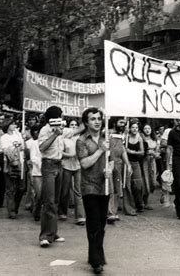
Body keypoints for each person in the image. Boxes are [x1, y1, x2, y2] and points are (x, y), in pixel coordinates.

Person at [76, 107, 110, 275]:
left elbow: (111, 159)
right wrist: (100, 150)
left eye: (99, 118)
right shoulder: (81, 141)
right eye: (93, 119)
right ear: (86, 122)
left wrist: (110, 169)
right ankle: (96, 261)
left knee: (102, 224)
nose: (97, 121)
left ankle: (95, 254)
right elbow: (84, 163)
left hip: (104, 186)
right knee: (94, 223)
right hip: (89, 186)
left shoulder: (106, 138)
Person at [38, 106, 65, 248]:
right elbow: (42, 147)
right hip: (48, 165)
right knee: (48, 201)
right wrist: (55, 135)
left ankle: (53, 233)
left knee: (55, 200)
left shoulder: (61, 129)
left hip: (59, 164)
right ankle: (44, 235)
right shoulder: (45, 130)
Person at [59, 118, 86, 225]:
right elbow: (60, 152)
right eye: (71, 125)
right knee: (65, 190)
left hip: (78, 166)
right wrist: (70, 155)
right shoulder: (64, 138)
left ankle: (80, 216)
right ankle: (62, 212)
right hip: (66, 166)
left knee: (78, 190)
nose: (74, 127)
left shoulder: (80, 138)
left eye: (75, 125)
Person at [0, 119, 26, 219]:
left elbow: (23, 147)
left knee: (21, 187)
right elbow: (6, 150)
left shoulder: (18, 135)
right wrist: (16, 148)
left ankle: (15, 206)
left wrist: (22, 141)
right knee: (10, 188)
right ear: (7, 126)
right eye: (12, 123)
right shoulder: (4, 138)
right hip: (10, 164)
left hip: (21, 163)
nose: (15, 125)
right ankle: (11, 210)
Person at [107, 117, 131, 223]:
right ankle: (110, 213)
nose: (123, 124)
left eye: (124, 123)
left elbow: (122, 150)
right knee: (110, 189)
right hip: (108, 164)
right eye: (121, 122)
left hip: (118, 164)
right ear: (114, 123)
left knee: (117, 189)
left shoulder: (122, 135)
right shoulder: (107, 133)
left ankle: (114, 212)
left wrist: (128, 164)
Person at [124, 120, 146, 214]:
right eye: (133, 127)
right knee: (128, 185)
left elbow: (142, 152)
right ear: (129, 128)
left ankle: (139, 204)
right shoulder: (126, 137)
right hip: (127, 162)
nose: (134, 129)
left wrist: (131, 152)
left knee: (138, 185)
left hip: (136, 162)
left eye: (136, 127)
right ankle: (130, 206)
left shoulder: (139, 138)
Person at [25, 125, 42, 221]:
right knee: (38, 193)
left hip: (48, 172)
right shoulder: (35, 144)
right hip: (37, 172)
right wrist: (41, 162)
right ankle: (37, 211)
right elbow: (33, 158)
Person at [142, 124, 160, 206]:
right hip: (144, 161)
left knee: (152, 180)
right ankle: (143, 201)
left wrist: (155, 154)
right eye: (145, 128)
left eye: (148, 128)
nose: (147, 130)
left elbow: (158, 152)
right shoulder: (141, 139)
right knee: (145, 180)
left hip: (152, 161)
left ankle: (146, 200)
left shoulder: (155, 139)